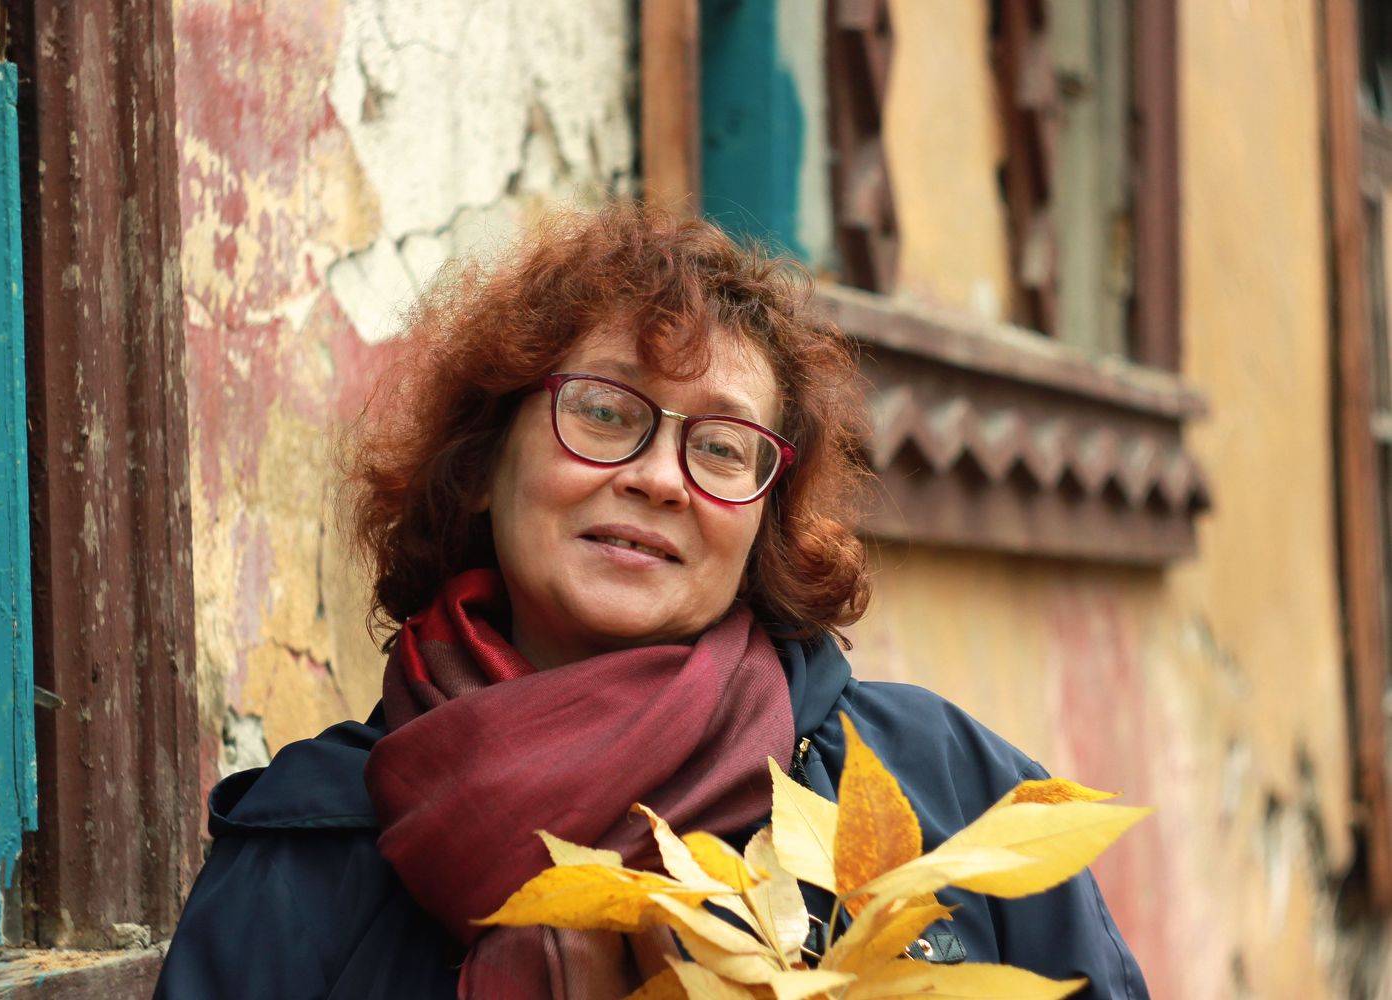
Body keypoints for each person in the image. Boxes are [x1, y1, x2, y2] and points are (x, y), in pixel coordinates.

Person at [153, 203, 1148, 999]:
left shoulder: (947, 789)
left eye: (722, 447)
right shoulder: (309, 850)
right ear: (485, 462)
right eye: (603, 410)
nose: (662, 478)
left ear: (765, 521)